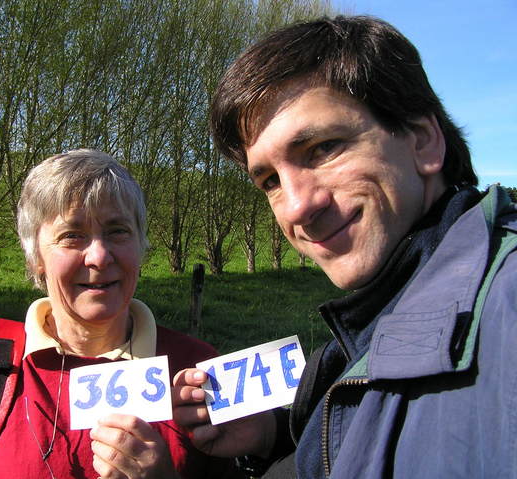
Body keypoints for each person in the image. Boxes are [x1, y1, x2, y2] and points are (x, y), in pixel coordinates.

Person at [172, 15, 517, 478]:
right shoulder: (369, 323)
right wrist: (274, 437)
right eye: (271, 180)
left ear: (423, 141)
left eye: (322, 149)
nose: (295, 208)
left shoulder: (507, 309)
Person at [0, 149, 240, 478]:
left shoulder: (196, 372)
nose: (99, 256)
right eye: (72, 235)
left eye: (117, 231)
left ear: (141, 246)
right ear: (35, 257)